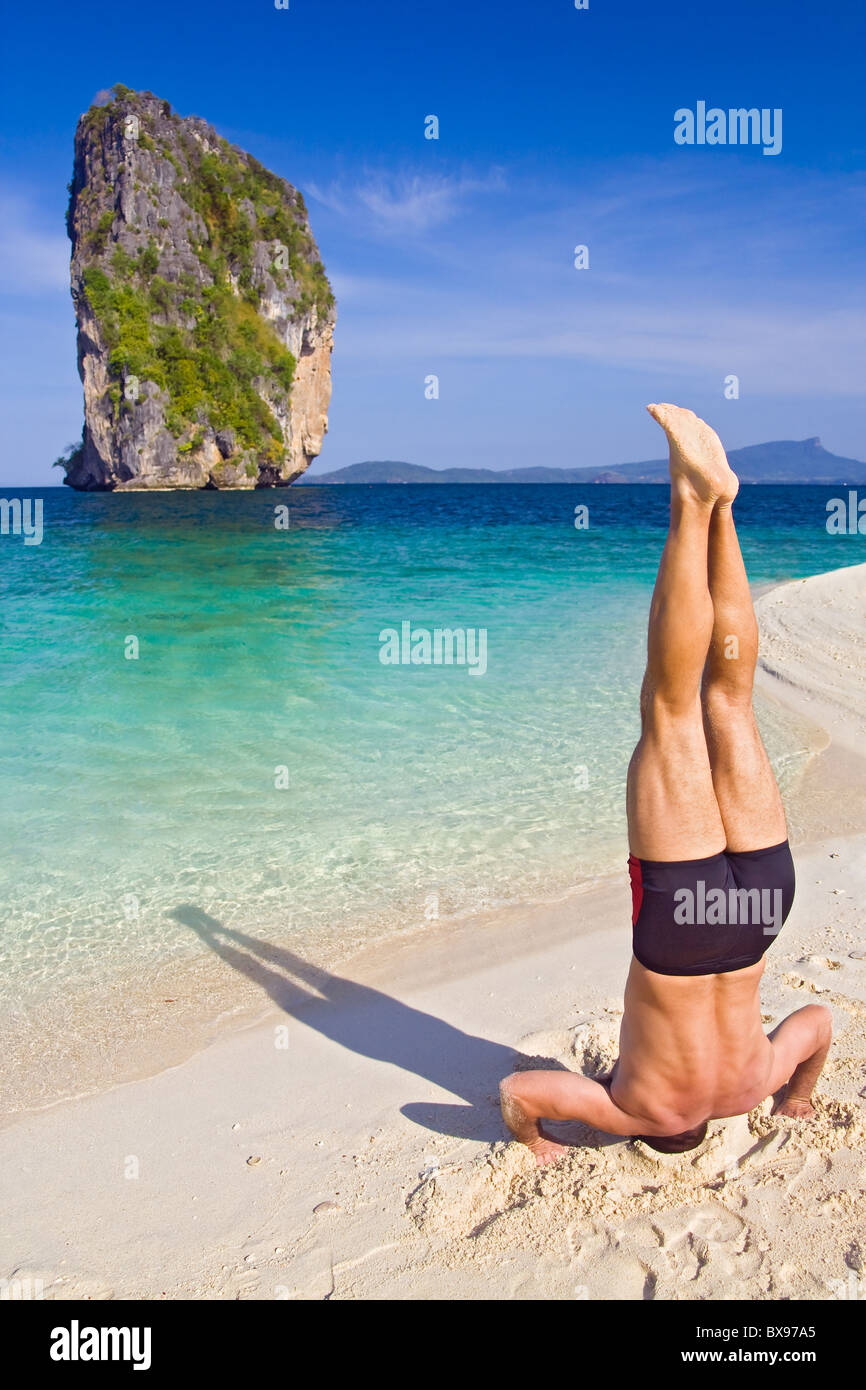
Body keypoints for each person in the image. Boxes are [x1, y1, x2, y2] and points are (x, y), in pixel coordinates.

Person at [500, 404, 832, 1165]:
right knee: (672, 708)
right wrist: (541, 1146)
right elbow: (520, 1094)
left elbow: (817, 1022)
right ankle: (690, 500)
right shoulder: (635, 1107)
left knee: (729, 701)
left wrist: (799, 1092)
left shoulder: (752, 1086)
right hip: (679, 930)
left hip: (759, 909)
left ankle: (723, 509)